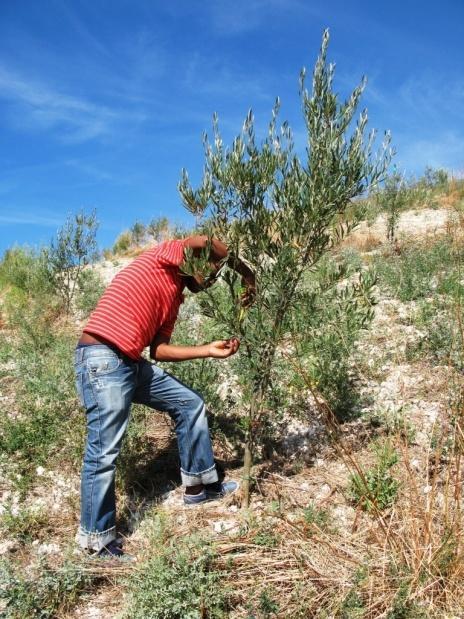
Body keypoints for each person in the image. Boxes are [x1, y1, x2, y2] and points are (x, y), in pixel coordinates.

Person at [74, 235, 255, 558]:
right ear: (197, 259)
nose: (212, 275)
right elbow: (211, 241)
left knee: (190, 404)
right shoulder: (165, 256)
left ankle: (199, 488)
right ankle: (95, 544)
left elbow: (158, 350)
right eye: (211, 267)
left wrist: (207, 351)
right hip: (103, 357)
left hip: (131, 363)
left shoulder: (175, 299)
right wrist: (247, 274)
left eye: (216, 272)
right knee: (103, 452)